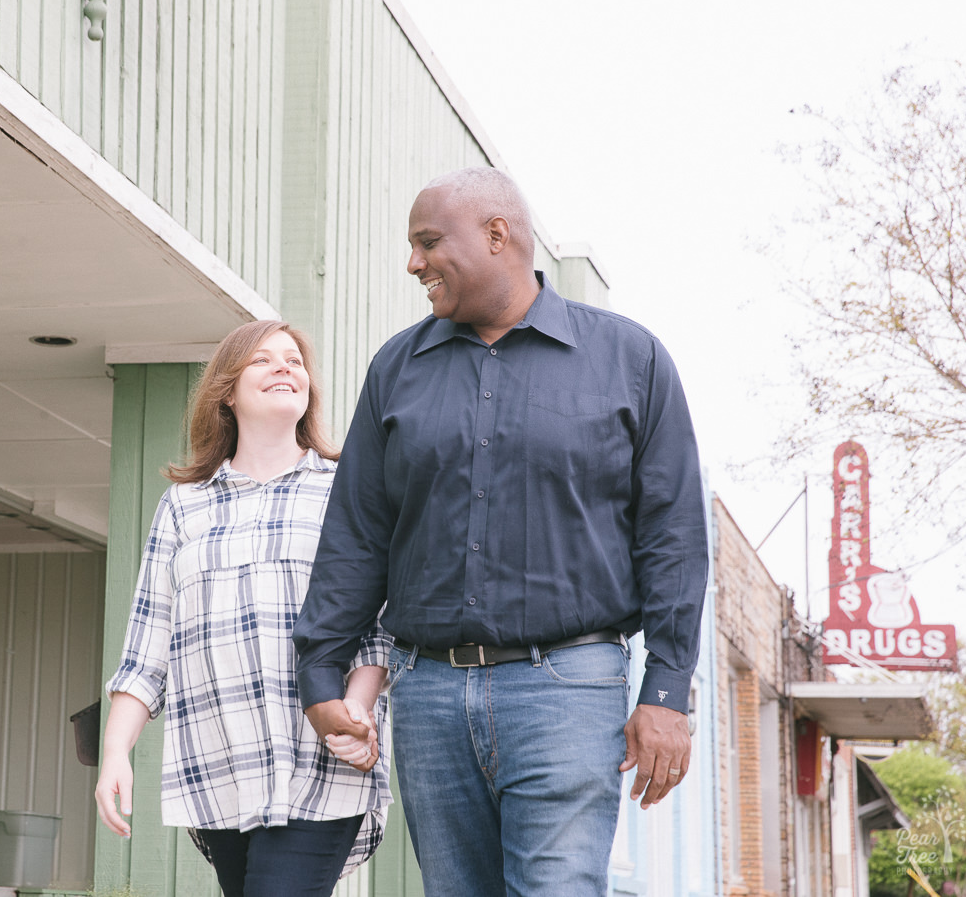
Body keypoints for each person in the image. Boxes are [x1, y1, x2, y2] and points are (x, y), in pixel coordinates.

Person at [294, 167, 709, 895]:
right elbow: (358, 533)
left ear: (497, 234)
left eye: (427, 242)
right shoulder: (396, 368)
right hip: (426, 693)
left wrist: (667, 690)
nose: (413, 263)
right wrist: (320, 671)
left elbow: (673, 535)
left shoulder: (630, 360)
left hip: (569, 688)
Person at [97, 320, 392, 897]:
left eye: (295, 361)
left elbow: (378, 625)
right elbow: (147, 648)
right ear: (227, 392)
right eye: (263, 360)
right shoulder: (183, 506)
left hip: (320, 760)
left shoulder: (344, 490)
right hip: (218, 767)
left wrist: (355, 716)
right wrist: (115, 754)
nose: (285, 367)